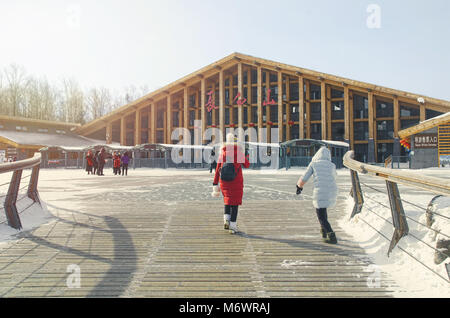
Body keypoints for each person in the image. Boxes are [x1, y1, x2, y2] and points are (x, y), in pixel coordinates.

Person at [296, 147, 338, 244]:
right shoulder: (332, 165)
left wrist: (299, 186)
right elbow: (335, 176)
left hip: (320, 191)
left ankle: (331, 236)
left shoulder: (314, 164)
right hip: (331, 190)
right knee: (323, 210)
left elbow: (304, 178)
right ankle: (324, 231)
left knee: (321, 216)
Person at [212, 133, 250, 234]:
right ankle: (233, 226)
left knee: (227, 201)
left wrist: (215, 183)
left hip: (224, 182)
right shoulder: (239, 153)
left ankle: (226, 220)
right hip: (236, 181)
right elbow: (247, 165)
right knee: (235, 204)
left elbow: (217, 170)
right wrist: (246, 155)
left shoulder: (222, 153)